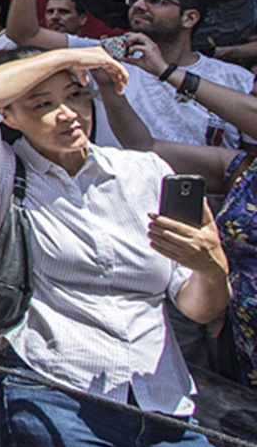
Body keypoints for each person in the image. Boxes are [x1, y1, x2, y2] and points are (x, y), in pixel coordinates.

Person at [0, 49, 242, 447]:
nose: (67, 113)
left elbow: (198, 308)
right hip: (59, 398)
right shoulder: (3, 176)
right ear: (9, 115)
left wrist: (209, 266)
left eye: (75, 95)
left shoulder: (144, 172)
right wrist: (75, 53)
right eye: (42, 104)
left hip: (164, 409)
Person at [96, 52, 257, 387]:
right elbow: (145, 146)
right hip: (242, 338)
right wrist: (109, 89)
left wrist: (168, 72)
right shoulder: (244, 170)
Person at [9, 0, 257, 147]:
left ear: (189, 17)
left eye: (155, 1)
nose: (138, 6)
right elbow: (24, 34)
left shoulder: (235, 79)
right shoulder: (107, 56)